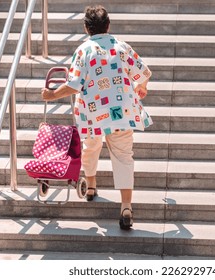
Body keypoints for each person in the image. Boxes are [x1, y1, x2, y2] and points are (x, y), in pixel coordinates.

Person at [41, 5, 152, 230]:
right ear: (108, 25)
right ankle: (126, 207)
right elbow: (144, 71)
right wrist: (142, 86)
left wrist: (51, 95)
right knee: (123, 156)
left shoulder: (83, 50)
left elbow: (73, 85)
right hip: (122, 113)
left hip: (93, 115)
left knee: (91, 147)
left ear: (86, 28)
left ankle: (90, 186)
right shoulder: (121, 47)